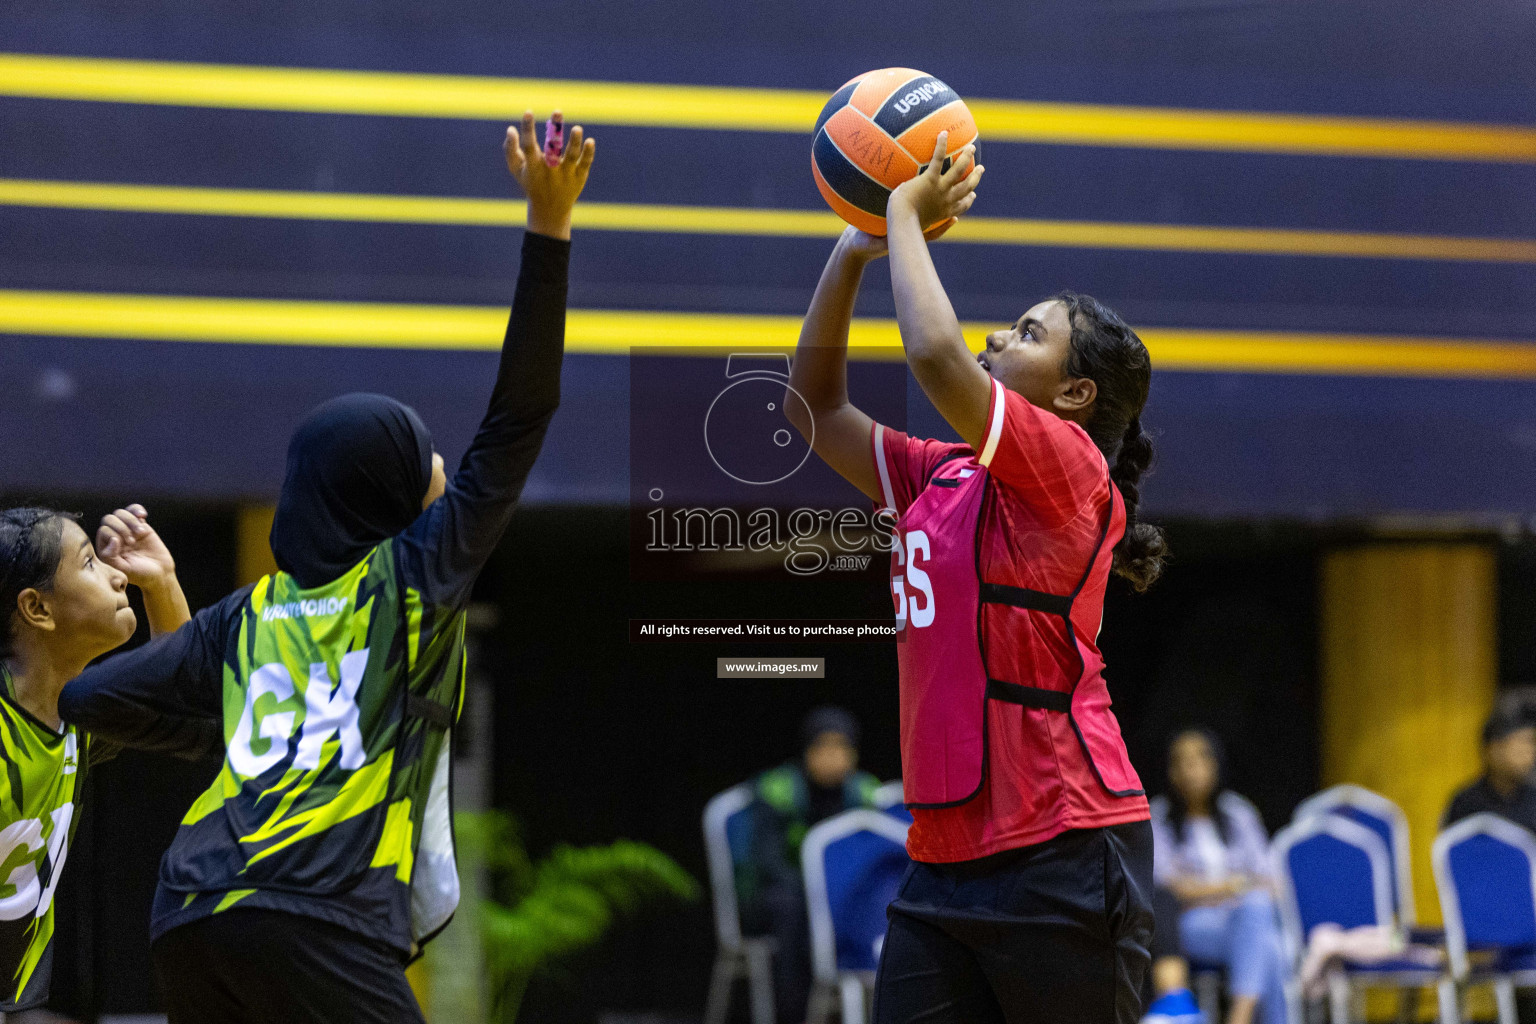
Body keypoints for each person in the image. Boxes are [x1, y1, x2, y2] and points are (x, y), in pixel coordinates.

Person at [56, 112, 595, 1024]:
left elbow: (89, 701)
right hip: (318, 917)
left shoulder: (250, 615)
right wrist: (550, 226)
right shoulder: (414, 579)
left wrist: (158, 599)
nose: (441, 471)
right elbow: (520, 415)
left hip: (188, 909)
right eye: (423, 455)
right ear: (383, 487)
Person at [785, 132, 1166, 1024]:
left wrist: (905, 215)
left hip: (1064, 849)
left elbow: (932, 353)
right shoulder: (944, 472)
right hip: (943, 859)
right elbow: (814, 406)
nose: (1001, 335)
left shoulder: (1072, 469)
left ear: (1075, 395)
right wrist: (853, 250)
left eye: (1030, 334)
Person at [0, 504, 193, 1012]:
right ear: (36, 608)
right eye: (89, 563)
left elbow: (185, 696)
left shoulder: (81, 711)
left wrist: (164, 583)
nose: (118, 575)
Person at [737, 706, 881, 1023]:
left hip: (842, 894)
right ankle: (793, 1015)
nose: (833, 756)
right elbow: (766, 862)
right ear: (807, 751)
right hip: (784, 893)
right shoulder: (778, 790)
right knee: (791, 911)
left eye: (842, 747)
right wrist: (815, 894)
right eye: (824, 747)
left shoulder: (866, 792)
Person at [1150, 729, 1290, 1024]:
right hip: (1192, 925)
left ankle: (1238, 1016)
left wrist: (1221, 889)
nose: (1191, 770)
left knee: (1265, 930)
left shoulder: (1238, 813)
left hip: (1243, 920)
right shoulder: (1158, 818)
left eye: (1200, 759)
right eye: (1182, 762)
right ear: (1171, 772)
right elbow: (1166, 887)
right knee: (1269, 945)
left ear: (1216, 765)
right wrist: (1233, 885)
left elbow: (1271, 882)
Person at [1443, 704, 1536, 834]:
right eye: (1523, 743)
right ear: (1494, 749)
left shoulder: (1533, 800)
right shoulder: (1466, 803)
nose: (1530, 752)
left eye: (1532, 744)